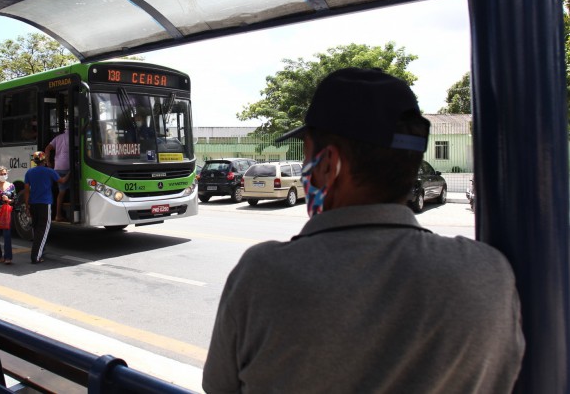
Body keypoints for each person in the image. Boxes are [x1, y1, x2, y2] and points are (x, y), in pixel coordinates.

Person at [202, 68, 525, 393]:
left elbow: (219, 386)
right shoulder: (488, 273)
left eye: (306, 154)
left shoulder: (261, 275)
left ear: (329, 165)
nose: (303, 173)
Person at [24, 151, 70, 264]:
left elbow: (26, 191)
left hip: (33, 203)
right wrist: (70, 171)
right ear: (44, 161)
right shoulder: (49, 171)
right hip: (45, 203)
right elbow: (62, 181)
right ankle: (36, 256)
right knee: (43, 230)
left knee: (36, 228)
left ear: (34, 161)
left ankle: (39, 250)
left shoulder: (29, 172)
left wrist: (26, 205)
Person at [45, 129, 71, 221]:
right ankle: (62, 214)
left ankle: (58, 214)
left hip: (57, 167)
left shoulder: (58, 138)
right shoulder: (74, 138)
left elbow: (47, 148)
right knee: (67, 190)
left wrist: (48, 162)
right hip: (68, 167)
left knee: (61, 192)